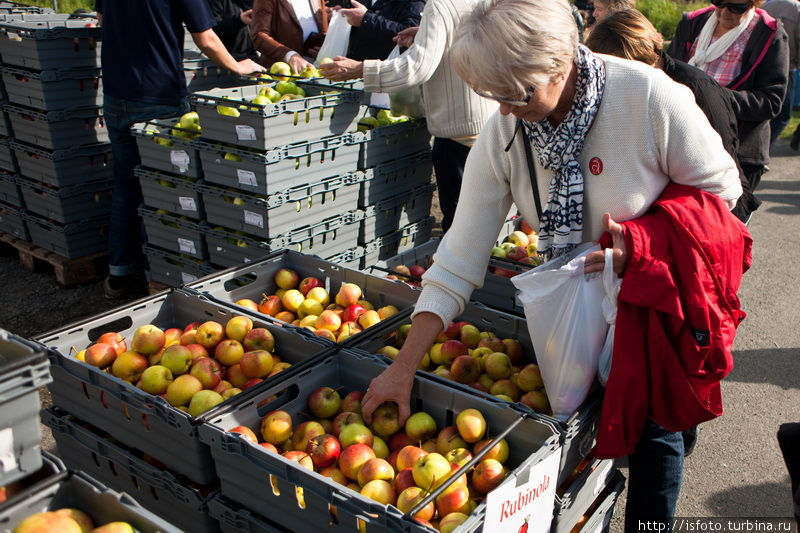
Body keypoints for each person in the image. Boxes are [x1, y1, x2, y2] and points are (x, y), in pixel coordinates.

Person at [357, 0, 743, 529]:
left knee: (656, 432)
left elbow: (722, 193)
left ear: (560, 61)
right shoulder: (505, 131)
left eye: (518, 93)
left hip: (647, 305)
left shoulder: (648, 97)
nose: (507, 111)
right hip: (574, 310)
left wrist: (643, 241)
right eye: (494, 97)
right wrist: (402, 368)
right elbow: (459, 255)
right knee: (582, 430)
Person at [96, 0, 263, 299]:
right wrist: (238, 66)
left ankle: (120, 273)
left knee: (126, 184)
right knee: (171, 189)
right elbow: (206, 38)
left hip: (116, 93)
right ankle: (164, 271)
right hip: (158, 97)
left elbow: (102, 19)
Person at [319, 0, 498, 234]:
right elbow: (467, 32)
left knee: (461, 228)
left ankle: (463, 269)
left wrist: (361, 69)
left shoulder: (440, 4)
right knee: (484, 218)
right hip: (487, 119)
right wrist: (424, 34)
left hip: (458, 129)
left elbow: (417, 67)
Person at [584, 9, 757, 225]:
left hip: (718, 215)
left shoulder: (697, 91)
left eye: (620, 73)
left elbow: (720, 174)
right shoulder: (629, 92)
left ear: (643, 62)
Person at [668, 0, 789, 221]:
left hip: (737, 153)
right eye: (719, 3)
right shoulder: (693, 23)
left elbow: (771, 101)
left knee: (725, 232)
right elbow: (667, 71)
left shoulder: (769, 33)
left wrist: (715, 98)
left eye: (736, 7)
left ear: (752, 3)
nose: (724, 12)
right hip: (685, 147)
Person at [331, 0, 426, 61]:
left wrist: (366, 19)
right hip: (352, 70)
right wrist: (342, 16)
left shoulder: (414, 2)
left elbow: (410, 33)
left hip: (383, 77)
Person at [251, 0, 328, 73]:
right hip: (282, 74)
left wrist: (323, 48)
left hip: (318, 71)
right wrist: (290, 55)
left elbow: (323, 29)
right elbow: (259, 36)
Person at [763, 0, 800, 145]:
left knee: (763, 112)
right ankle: (763, 150)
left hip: (763, 65)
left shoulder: (766, 5)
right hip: (787, 68)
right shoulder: (796, 8)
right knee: (783, 115)